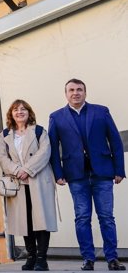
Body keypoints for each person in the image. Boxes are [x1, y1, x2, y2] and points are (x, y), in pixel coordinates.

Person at [49, 79, 125, 271]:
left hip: (103, 173)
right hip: (76, 175)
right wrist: (58, 173)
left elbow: (115, 141)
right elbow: (53, 149)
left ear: (85, 92)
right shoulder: (56, 117)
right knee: (82, 217)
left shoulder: (101, 111)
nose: (76, 93)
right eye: (71, 90)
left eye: (79, 89)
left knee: (106, 217)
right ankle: (88, 258)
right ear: (65, 94)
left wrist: (119, 170)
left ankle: (112, 258)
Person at [0, 100, 57, 272]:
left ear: (29, 112)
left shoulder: (39, 131)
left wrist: (28, 169)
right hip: (18, 184)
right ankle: (31, 256)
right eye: (15, 110)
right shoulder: (5, 135)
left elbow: (45, 152)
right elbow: (2, 157)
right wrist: (17, 171)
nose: (19, 112)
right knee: (25, 221)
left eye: (23, 109)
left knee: (41, 220)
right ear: (11, 114)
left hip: (39, 181)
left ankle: (42, 259)